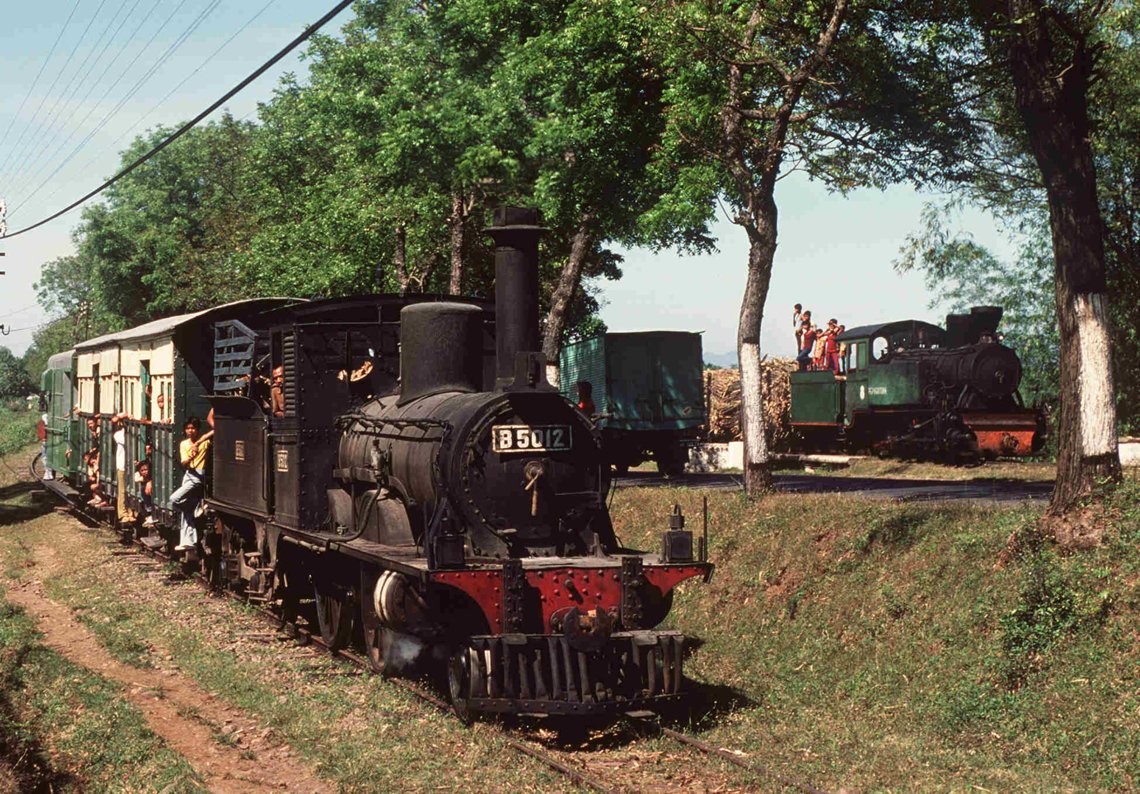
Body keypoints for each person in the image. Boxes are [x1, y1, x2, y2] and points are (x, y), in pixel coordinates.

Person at [171, 418, 213, 552]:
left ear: (197, 429)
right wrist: (192, 456)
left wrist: (199, 442)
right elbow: (184, 462)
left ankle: (194, 509)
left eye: (193, 428)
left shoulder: (204, 442)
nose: (190, 431)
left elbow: (215, 430)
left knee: (175, 499)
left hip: (198, 476)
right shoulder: (184, 444)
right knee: (185, 512)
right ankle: (187, 541)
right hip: (189, 473)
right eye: (188, 428)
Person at [111, 413, 130, 522]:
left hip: (130, 466)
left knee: (129, 490)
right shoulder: (118, 434)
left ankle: (130, 512)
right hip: (122, 465)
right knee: (122, 490)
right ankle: (122, 513)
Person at [134, 459, 155, 527]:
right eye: (142, 470)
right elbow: (136, 479)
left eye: (146, 469)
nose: (144, 472)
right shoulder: (141, 476)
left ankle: (151, 512)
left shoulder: (153, 475)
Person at [37, 413, 53, 480]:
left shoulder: (41, 423)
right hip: (47, 442)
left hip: (46, 442)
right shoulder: (42, 423)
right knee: (46, 457)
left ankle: (48, 473)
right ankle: (48, 472)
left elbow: (40, 435)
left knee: (45, 457)